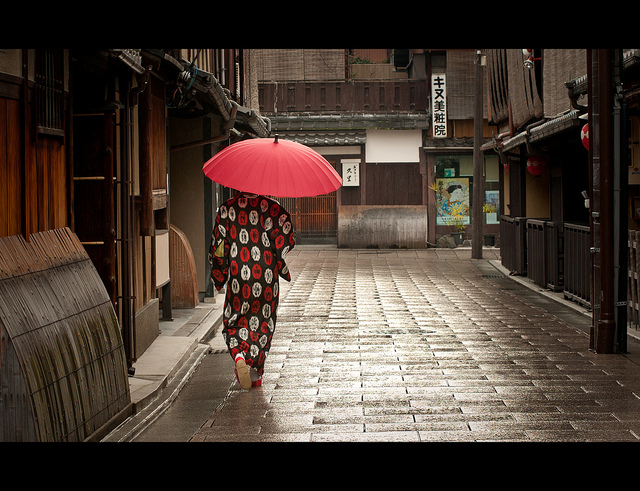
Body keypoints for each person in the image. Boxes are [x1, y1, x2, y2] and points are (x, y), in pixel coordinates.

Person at [209, 192, 295, 389]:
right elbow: (285, 238)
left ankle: (239, 354)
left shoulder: (226, 209)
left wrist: (220, 275)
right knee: (264, 322)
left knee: (234, 320)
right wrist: (279, 262)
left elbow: (219, 248)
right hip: (266, 275)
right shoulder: (272, 208)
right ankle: (256, 373)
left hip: (239, 273)